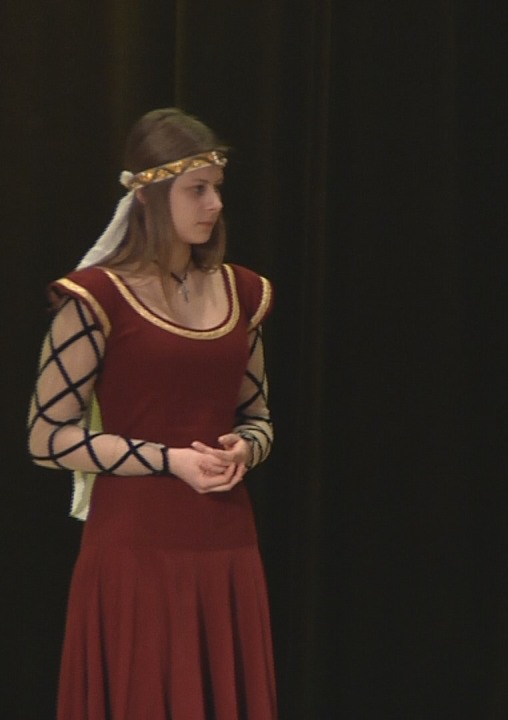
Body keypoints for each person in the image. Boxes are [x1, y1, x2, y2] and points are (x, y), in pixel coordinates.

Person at [27, 108, 277, 718]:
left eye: (217, 188)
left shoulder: (242, 291)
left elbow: (258, 413)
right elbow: (46, 436)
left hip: (226, 545)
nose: (215, 203)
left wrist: (248, 447)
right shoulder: (96, 297)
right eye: (198, 189)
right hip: (135, 552)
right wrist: (170, 461)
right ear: (148, 194)